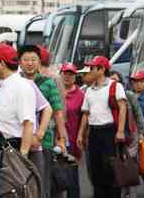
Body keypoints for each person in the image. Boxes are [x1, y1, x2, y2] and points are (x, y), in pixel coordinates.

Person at [20, 45, 67, 198]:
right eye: (26, 59)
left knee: (43, 184)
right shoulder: (16, 82)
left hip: (44, 140)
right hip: (18, 140)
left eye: (33, 59)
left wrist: (61, 138)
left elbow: (58, 112)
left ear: (39, 61)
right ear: (20, 62)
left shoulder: (48, 82)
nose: (30, 63)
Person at [77, 56, 127, 198]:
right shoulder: (89, 90)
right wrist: (81, 134)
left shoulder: (115, 86)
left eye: (92, 68)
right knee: (95, 169)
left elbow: (123, 108)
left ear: (102, 69)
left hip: (109, 132)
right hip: (94, 133)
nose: (90, 70)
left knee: (110, 169)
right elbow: (86, 114)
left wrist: (121, 131)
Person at [0, 44, 36, 156]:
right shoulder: (4, 85)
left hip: (13, 148)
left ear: (2, 64)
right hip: (2, 147)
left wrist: (23, 155)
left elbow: (28, 123)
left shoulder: (21, 87)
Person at [111, 70, 144, 198]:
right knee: (118, 165)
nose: (115, 84)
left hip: (131, 136)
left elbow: (138, 115)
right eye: (112, 81)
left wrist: (143, 133)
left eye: (117, 81)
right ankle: (122, 193)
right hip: (113, 137)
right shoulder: (107, 96)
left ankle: (132, 194)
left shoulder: (129, 95)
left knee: (131, 164)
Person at [60, 63, 84, 198]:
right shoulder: (55, 91)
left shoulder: (80, 94)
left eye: (71, 74)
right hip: (56, 141)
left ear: (75, 77)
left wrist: (81, 137)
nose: (68, 77)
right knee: (55, 176)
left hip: (72, 141)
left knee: (72, 177)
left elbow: (84, 119)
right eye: (65, 73)